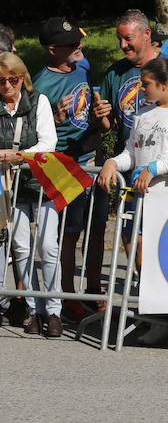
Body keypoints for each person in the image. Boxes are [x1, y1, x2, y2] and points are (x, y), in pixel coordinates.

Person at [96, 57, 168, 345]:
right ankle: (159, 318)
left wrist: (156, 168)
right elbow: (132, 153)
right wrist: (111, 162)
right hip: (141, 199)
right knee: (139, 253)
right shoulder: (143, 114)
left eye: (146, 84)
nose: (141, 89)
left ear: (165, 84)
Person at [32, 17, 103, 324]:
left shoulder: (82, 69)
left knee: (96, 227)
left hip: (90, 157)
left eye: (79, 41)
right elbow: (34, 132)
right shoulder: (39, 84)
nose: (80, 47)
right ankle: (67, 295)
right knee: (69, 233)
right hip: (61, 165)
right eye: (72, 44)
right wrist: (57, 120)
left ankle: (94, 291)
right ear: (52, 50)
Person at [1, 53, 59, 336]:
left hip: (41, 183)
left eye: (13, 79)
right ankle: (35, 310)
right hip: (10, 187)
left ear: (22, 78)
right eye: (1, 81)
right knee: (21, 249)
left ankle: (54, 310)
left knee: (48, 247)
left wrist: (17, 156)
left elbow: (49, 142)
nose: (8, 85)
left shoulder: (39, 102)